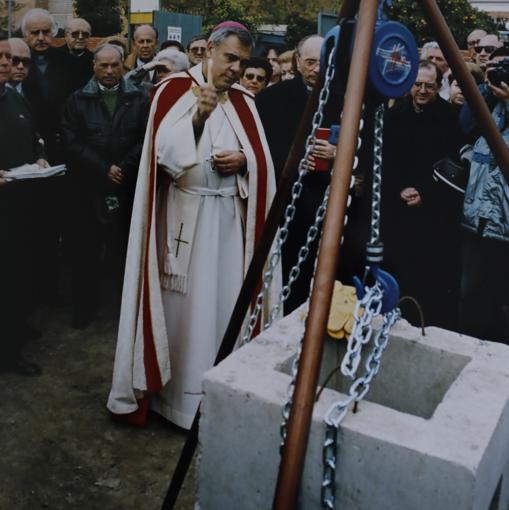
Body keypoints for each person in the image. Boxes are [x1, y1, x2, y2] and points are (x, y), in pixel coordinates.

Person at [107, 22, 279, 429]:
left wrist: (243, 161)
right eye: (230, 58)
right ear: (209, 53)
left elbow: (262, 164)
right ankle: (176, 400)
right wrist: (198, 119)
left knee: (221, 307)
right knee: (182, 312)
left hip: (227, 225)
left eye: (242, 61)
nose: (236, 69)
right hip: (183, 221)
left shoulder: (245, 101)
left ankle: (216, 396)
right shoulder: (172, 91)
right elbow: (162, 158)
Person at [61, 44, 149, 330]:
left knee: (125, 249)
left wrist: (124, 166)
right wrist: (103, 168)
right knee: (85, 250)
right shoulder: (77, 99)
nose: (110, 71)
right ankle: (84, 307)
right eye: (103, 66)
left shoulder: (139, 97)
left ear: (123, 65)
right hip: (89, 187)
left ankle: (127, 311)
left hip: (126, 183)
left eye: (115, 65)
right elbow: (71, 140)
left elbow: (146, 135)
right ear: (94, 67)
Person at [257, 34, 341, 314]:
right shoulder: (271, 98)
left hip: (326, 200)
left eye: (322, 62)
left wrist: (336, 153)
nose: (317, 69)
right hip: (284, 201)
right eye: (310, 62)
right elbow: (260, 148)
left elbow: (362, 146)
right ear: (296, 61)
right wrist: (292, 161)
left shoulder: (344, 97)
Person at [382, 60, 464, 329]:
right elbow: (384, 161)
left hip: (433, 212)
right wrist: (399, 189)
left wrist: (425, 193)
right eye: (418, 84)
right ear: (409, 85)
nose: (423, 90)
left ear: (438, 87)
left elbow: (455, 165)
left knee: (429, 277)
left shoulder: (450, 118)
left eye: (430, 86)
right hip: (398, 206)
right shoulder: (393, 116)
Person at [0, 34, 46, 376]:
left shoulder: (15, 98)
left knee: (16, 275)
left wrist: (40, 157)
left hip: (20, 202)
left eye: (13, 58)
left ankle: (12, 341)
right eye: (3, 57)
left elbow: (32, 136)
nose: (8, 64)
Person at [458, 49, 509, 342]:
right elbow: (466, 125)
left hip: (505, 224)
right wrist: (485, 91)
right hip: (476, 221)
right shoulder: (487, 99)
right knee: (472, 297)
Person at [59, 18, 94, 90]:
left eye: (85, 34)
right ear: (66, 36)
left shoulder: (95, 60)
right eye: (75, 34)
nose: (80, 37)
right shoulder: (54, 57)